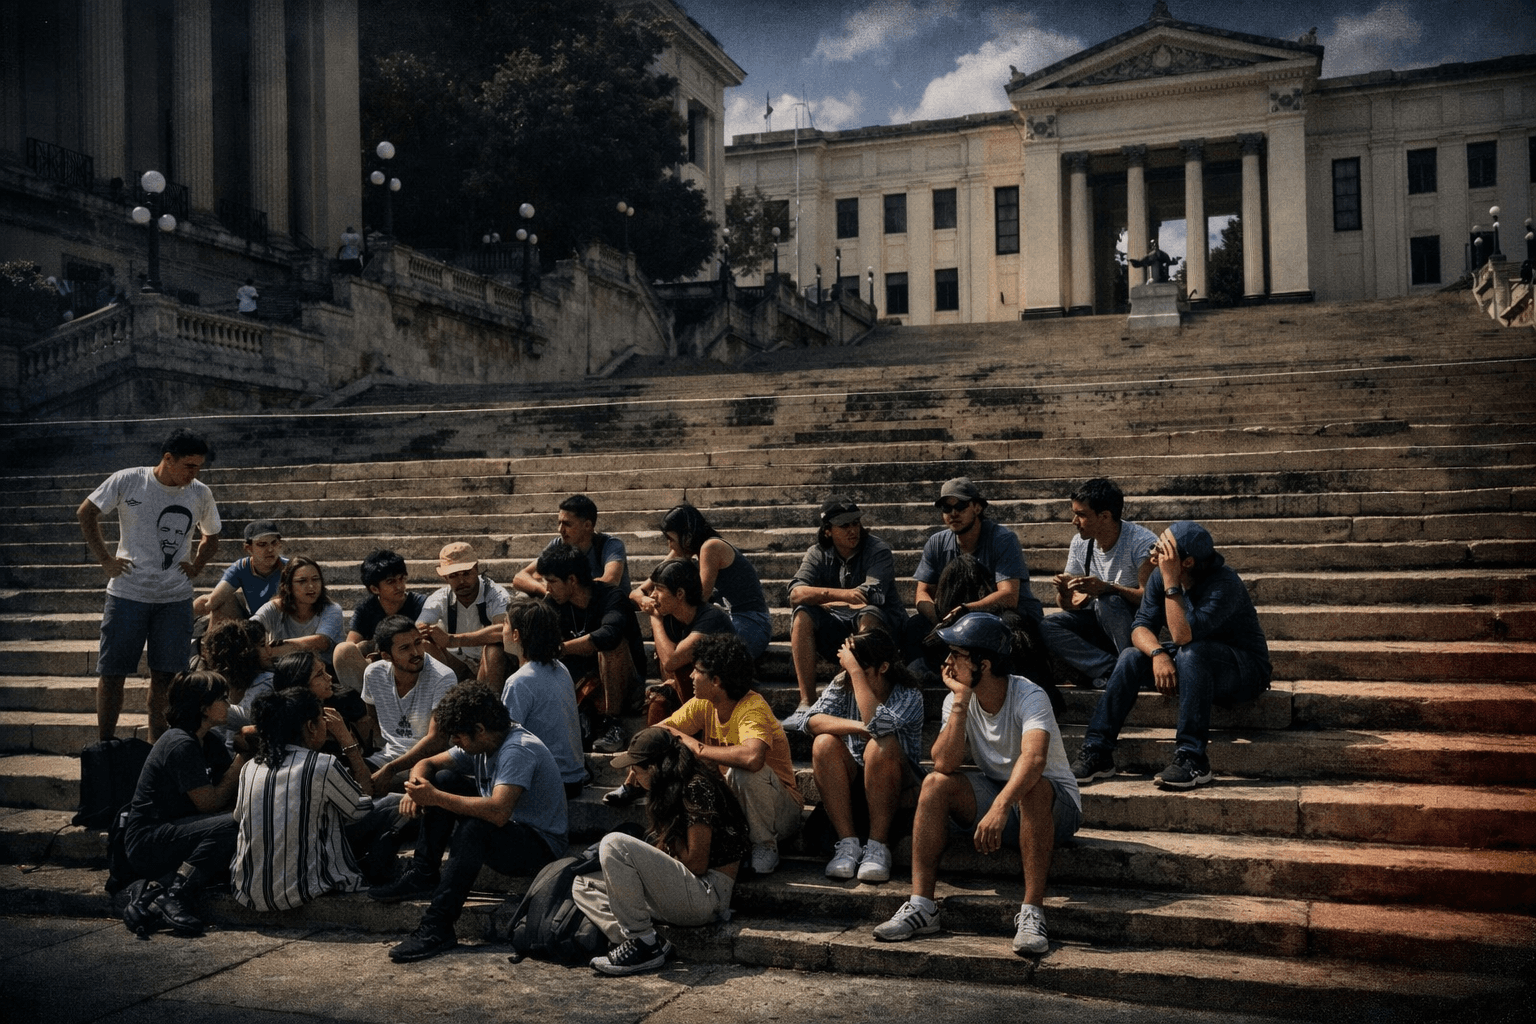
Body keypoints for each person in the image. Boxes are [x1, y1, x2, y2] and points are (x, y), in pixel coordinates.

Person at [874, 613, 1080, 956]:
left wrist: (1000, 807)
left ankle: (1032, 912)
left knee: (1033, 786)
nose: (947, 661)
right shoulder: (958, 699)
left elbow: (1034, 760)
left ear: (983, 664)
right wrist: (960, 701)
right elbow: (944, 763)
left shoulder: (1030, 695)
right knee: (935, 784)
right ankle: (923, 905)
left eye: (956, 654)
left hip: (1056, 808)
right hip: (1001, 796)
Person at [368, 681, 568, 964]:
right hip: (508, 829)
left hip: (539, 847)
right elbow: (427, 764)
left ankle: (438, 926)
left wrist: (434, 798)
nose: (455, 743)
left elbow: (498, 811)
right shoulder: (484, 741)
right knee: (443, 779)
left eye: (459, 737)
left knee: (474, 827)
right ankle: (424, 874)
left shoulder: (517, 749)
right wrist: (417, 786)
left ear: (480, 729)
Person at [1070, 522, 1271, 790]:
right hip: (1192, 659)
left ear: (1186, 562)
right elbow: (1140, 627)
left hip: (1243, 670)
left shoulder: (1224, 584)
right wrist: (1157, 655)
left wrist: (1171, 582)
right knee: (1131, 657)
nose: (1154, 550)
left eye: (1162, 548)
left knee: (1191, 653)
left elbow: (1181, 636)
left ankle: (1193, 758)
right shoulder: (1160, 576)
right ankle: (1097, 751)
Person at [78, 428, 221, 739]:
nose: (194, 473)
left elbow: (212, 536)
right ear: (168, 459)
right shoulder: (129, 479)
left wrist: (197, 565)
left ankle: (158, 745)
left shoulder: (200, 492)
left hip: (174, 597)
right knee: (113, 672)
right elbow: (86, 512)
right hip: (128, 593)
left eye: (199, 466)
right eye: (189, 466)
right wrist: (105, 559)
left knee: (166, 677)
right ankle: (106, 744)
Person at [573, 728, 750, 976]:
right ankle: (649, 940)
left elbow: (697, 864)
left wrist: (667, 838)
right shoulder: (670, 789)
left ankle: (642, 943)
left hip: (708, 893)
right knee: (583, 884)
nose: (632, 775)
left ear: (656, 768)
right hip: (685, 889)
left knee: (614, 843)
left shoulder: (696, 786)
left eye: (636, 768)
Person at [658, 633, 802, 875]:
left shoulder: (752, 708)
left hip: (781, 812)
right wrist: (683, 740)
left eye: (697, 671)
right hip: (737, 804)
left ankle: (765, 846)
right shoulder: (703, 703)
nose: (691, 676)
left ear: (716, 680)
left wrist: (699, 748)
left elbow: (752, 758)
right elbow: (659, 731)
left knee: (745, 773)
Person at [231, 686, 381, 911]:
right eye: (322, 720)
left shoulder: (250, 767)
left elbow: (237, 817)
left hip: (248, 891)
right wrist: (347, 742)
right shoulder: (321, 765)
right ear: (311, 726)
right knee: (390, 805)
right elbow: (361, 808)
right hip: (302, 889)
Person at [121, 671, 246, 934]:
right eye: (222, 699)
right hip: (149, 840)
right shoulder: (180, 744)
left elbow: (229, 794)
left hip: (181, 828)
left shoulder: (208, 741)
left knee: (237, 823)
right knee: (234, 824)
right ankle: (176, 893)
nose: (228, 705)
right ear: (203, 707)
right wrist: (242, 758)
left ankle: (155, 889)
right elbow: (210, 804)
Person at [803, 627, 926, 883]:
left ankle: (878, 846)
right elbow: (811, 721)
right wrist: (858, 727)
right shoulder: (843, 683)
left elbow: (878, 727)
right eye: (847, 671)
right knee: (823, 742)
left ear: (883, 667)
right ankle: (848, 843)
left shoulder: (908, 694)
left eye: (859, 671)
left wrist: (857, 672)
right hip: (858, 781)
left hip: (898, 785)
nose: (849, 677)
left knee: (880, 744)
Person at [906, 477, 1050, 687]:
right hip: (956, 616)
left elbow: (1009, 595)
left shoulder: (1002, 539)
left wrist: (965, 611)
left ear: (977, 508)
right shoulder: (936, 542)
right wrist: (940, 618)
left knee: (1011, 625)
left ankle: (1022, 686)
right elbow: (922, 594)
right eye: (947, 508)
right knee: (915, 624)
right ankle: (921, 679)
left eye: (961, 506)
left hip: (1003, 615)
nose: (953, 513)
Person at [787, 496, 906, 719]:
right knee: (802, 614)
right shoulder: (817, 553)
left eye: (855, 523)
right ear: (828, 531)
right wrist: (840, 595)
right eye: (844, 525)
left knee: (868, 613)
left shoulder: (877, 550)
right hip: (840, 631)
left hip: (883, 633)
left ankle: (861, 695)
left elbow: (869, 596)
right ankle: (806, 702)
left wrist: (822, 599)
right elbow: (795, 594)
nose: (853, 530)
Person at [512, 494, 646, 683]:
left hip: (606, 610)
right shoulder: (558, 546)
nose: (560, 530)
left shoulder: (609, 545)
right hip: (572, 605)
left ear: (588, 525)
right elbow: (519, 577)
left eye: (567, 524)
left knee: (610, 645)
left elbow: (609, 580)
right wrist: (553, 590)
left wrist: (571, 589)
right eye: (559, 523)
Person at [1040, 479, 1157, 690]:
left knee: (1108, 601)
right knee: (1048, 625)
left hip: (1135, 625)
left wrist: (1109, 588)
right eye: (1075, 513)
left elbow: (1150, 599)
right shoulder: (1080, 542)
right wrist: (1065, 591)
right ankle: (1113, 669)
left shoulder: (1141, 542)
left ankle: (1133, 665)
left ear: (1104, 516)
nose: (1074, 521)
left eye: (1082, 515)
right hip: (1097, 621)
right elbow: (1069, 605)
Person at [539, 542, 643, 755]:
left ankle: (612, 723)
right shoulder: (554, 602)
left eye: (552, 582)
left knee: (611, 646)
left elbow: (609, 635)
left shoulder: (611, 596)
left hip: (627, 684)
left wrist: (560, 648)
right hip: (586, 683)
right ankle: (584, 714)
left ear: (572, 580)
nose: (547, 588)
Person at [636, 504, 770, 659]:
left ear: (687, 537)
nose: (670, 545)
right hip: (729, 619)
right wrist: (644, 599)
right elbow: (641, 589)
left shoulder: (711, 547)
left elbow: (699, 600)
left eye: (671, 539)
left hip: (751, 622)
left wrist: (657, 610)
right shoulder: (685, 548)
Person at [361, 615, 459, 791]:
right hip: (387, 756)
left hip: (429, 762)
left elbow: (437, 740)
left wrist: (391, 769)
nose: (416, 652)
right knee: (347, 780)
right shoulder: (373, 674)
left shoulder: (443, 677)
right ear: (386, 656)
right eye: (405, 648)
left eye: (418, 642)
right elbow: (371, 716)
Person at [500, 600, 587, 798]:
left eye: (505, 623)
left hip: (550, 784)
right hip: (573, 781)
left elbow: (503, 737)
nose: (501, 629)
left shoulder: (519, 681)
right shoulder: (560, 667)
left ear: (516, 635)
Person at [641, 558, 736, 727]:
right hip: (695, 697)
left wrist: (655, 618)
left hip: (727, 697)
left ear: (679, 594)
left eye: (659, 589)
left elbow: (671, 661)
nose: (653, 595)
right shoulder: (673, 618)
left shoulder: (711, 618)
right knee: (659, 700)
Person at [416, 542, 511, 684]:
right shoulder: (440, 597)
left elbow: (503, 630)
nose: (461, 581)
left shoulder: (496, 594)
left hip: (490, 663)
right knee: (423, 643)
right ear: (445, 578)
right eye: (453, 575)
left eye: (466, 573)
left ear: (476, 569)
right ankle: (448, 693)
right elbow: (418, 627)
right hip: (457, 663)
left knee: (494, 649)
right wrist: (427, 631)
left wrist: (452, 640)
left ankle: (492, 702)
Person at [333, 549, 427, 692]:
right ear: (375, 589)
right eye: (391, 582)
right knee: (342, 650)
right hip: (380, 674)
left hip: (412, 672)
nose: (400, 586)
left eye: (402, 578)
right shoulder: (366, 609)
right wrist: (370, 649)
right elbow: (351, 646)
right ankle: (367, 706)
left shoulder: (419, 604)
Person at [250, 556, 345, 667]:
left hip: (322, 672)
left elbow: (321, 642)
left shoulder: (332, 609)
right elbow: (250, 628)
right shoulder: (275, 607)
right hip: (284, 671)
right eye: (302, 581)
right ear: (287, 587)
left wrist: (271, 650)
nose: (311, 586)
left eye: (315, 579)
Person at [200, 618, 272, 752]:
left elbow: (248, 717)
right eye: (262, 645)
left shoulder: (265, 681)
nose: (269, 651)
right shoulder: (216, 683)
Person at [194, 519, 286, 624]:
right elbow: (213, 600)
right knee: (224, 600)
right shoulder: (241, 567)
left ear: (280, 545)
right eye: (262, 544)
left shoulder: (291, 568)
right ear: (249, 548)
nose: (270, 549)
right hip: (255, 623)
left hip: (284, 625)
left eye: (274, 543)